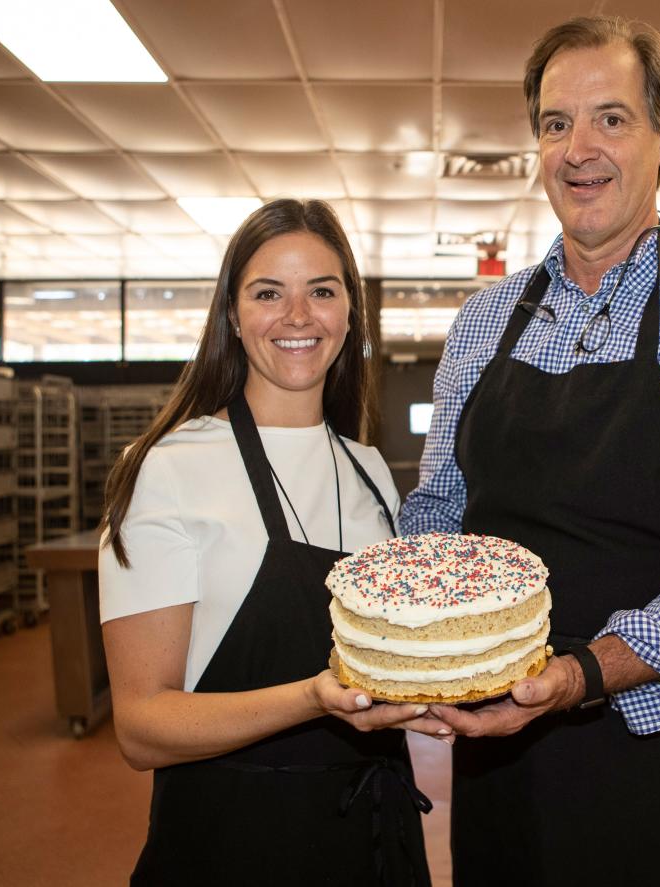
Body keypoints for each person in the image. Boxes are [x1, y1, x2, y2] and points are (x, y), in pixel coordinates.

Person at [401, 16, 660, 886]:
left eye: (612, 119)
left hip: (654, 758)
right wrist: (417, 646)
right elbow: (439, 510)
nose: (578, 148)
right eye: (556, 124)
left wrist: (579, 673)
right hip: (497, 758)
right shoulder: (484, 322)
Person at [98, 199, 437, 886]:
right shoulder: (168, 467)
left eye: (321, 290)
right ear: (232, 313)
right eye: (267, 293)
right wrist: (313, 697)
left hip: (373, 842)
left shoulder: (369, 470)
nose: (298, 316)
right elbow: (140, 725)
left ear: (349, 312)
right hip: (233, 843)